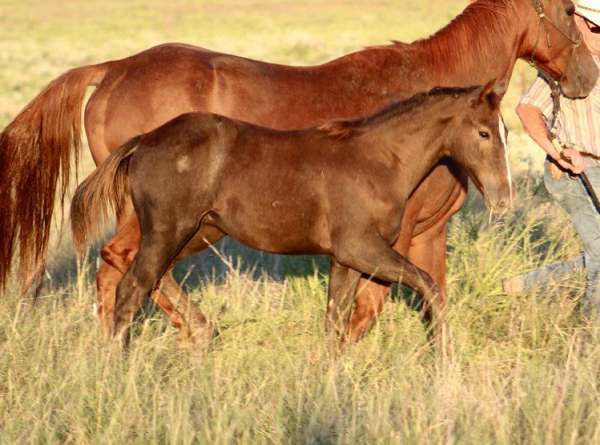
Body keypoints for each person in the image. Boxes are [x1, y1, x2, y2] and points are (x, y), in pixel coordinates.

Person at [503, 0, 600, 320]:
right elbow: (527, 110)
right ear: (580, 25)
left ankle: (527, 284)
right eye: (597, 28)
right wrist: (557, 151)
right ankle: (589, 330)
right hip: (573, 170)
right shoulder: (564, 66)